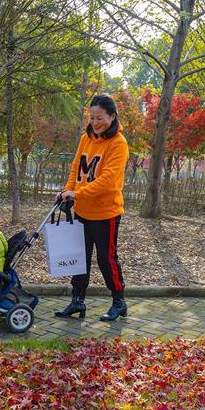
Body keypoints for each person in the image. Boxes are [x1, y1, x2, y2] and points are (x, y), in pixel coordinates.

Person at [55, 94, 129, 321]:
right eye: (92, 118)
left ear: (112, 116)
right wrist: (68, 192)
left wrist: (77, 193)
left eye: (100, 118)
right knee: (79, 257)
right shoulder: (85, 138)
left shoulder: (118, 144)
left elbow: (107, 180)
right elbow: (76, 168)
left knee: (106, 259)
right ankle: (77, 301)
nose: (95, 123)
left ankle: (119, 302)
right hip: (82, 211)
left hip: (106, 213)